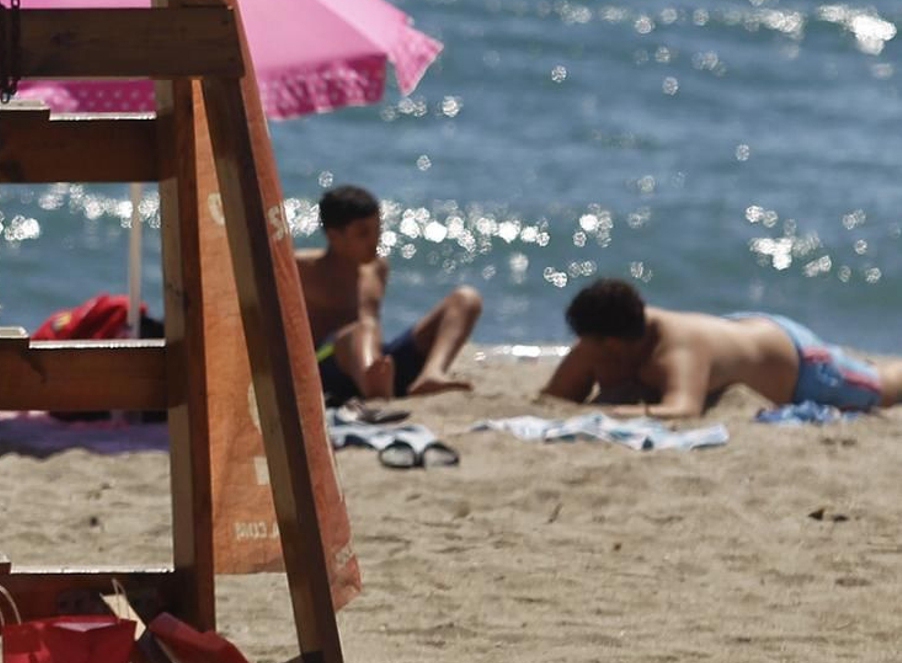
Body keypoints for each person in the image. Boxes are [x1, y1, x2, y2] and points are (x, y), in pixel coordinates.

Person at [541, 276, 902, 418]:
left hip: (801, 362)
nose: (580, 348)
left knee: (881, 387)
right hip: (740, 331)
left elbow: (683, 409)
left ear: (613, 342)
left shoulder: (676, 351)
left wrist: (611, 413)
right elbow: (556, 397)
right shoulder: (610, 335)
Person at [296, 183, 483, 403]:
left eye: (378, 229)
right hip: (329, 369)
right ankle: (373, 387)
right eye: (363, 233)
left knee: (466, 299)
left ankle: (431, 374)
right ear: (334, 236)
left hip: (382, 364)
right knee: (364, 326)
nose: (374, 240)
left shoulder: (377, 268)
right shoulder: (301, 268)